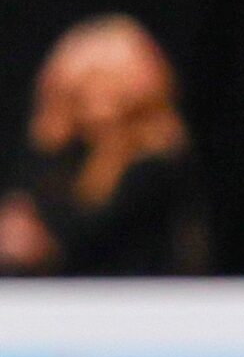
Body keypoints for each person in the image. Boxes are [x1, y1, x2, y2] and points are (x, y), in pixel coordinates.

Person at [0, 15, 211, 277]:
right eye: (85, 87)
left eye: (107, 84)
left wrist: (44, 242)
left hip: (137, 296)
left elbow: (108, 237)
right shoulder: (62, 154)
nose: (97, 100)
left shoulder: (158, 160)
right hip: (59, 298)